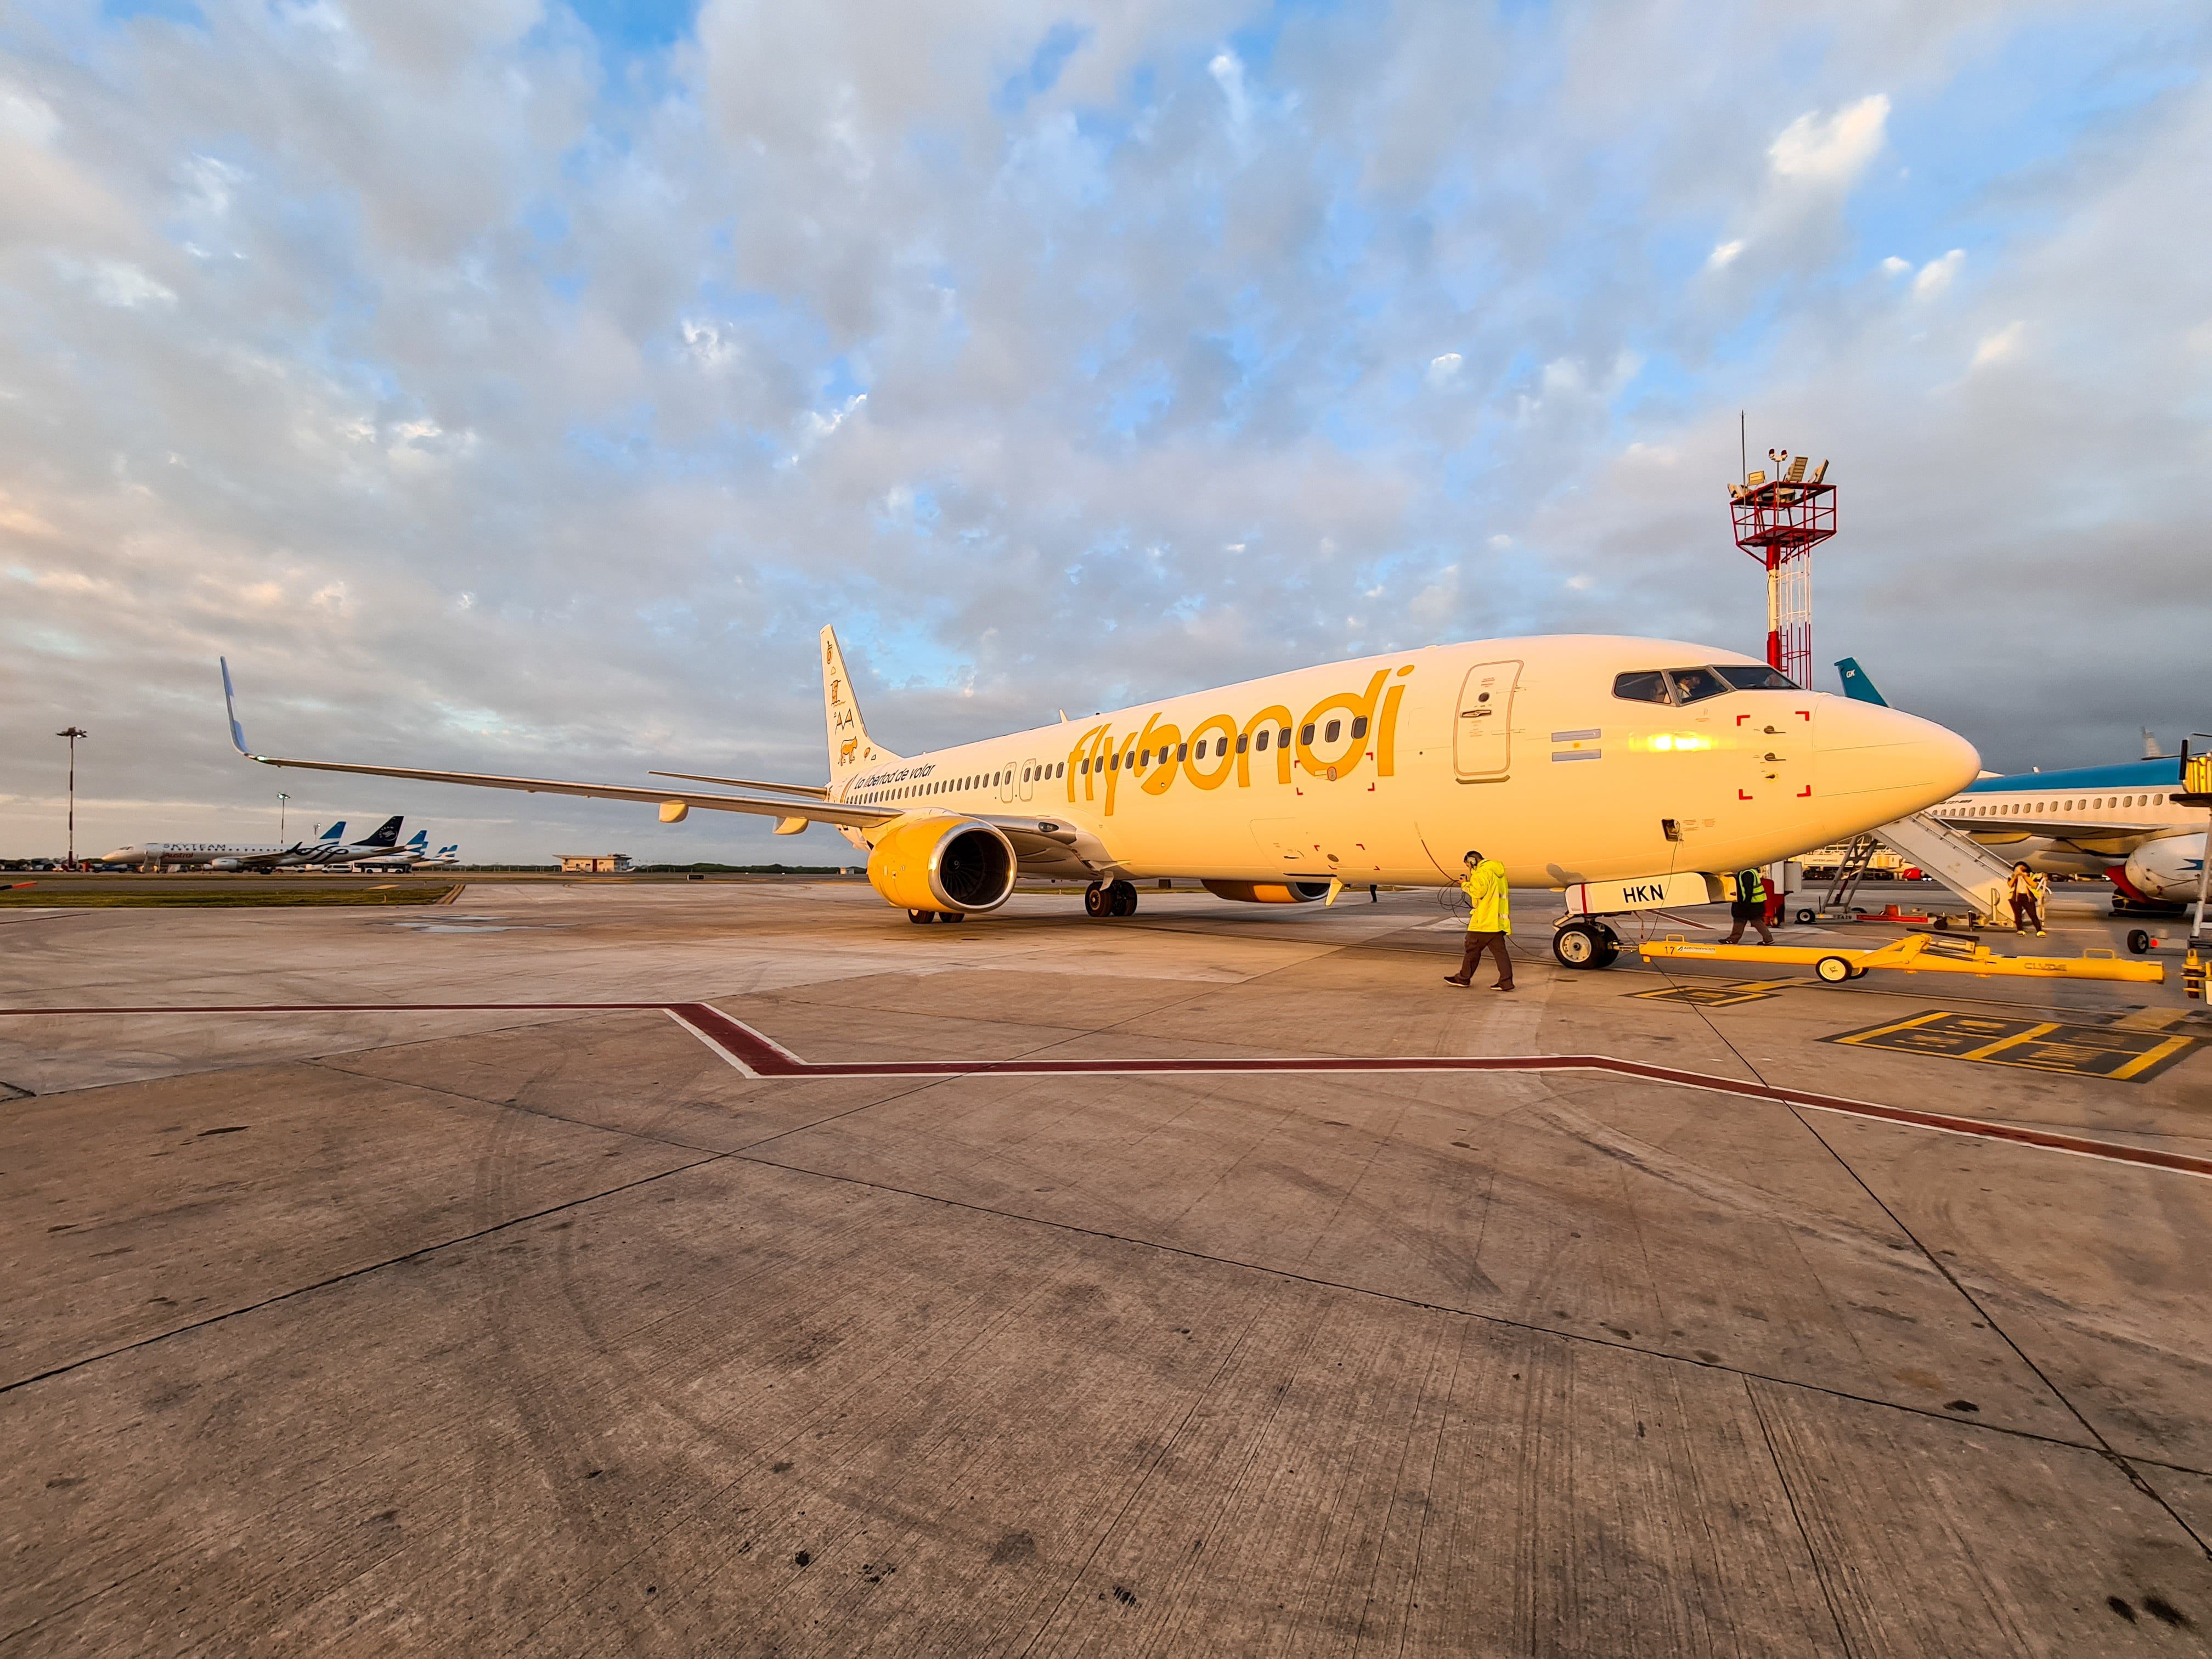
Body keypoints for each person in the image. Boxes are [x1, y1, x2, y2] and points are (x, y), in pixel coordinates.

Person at [1445, 849, 1514, 990]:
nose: (1469, 869)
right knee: (1501, 954)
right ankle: (1506, 982)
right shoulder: (1498, 874)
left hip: (1483, 922)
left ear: (1472, 861)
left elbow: (1478, 892)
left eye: (1468, 866)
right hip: (1496, 922)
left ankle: (1463, 979)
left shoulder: (1481, 873)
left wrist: (1465, 884)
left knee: (1472, 950)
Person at [1722, 867, 1774, 946]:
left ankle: (1733, 939)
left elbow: (1748, 890)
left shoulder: (1747, 874)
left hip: (1751, 903)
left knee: (1747, 920)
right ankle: (1768, 939)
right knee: (1748, 920)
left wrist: (1745, 904)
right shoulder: (1750, 872)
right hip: (1755, 902)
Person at [2008, 862, 2043, 935]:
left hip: (2028, 897)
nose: (2019, 871)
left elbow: (2034, 885)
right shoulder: (2012, 876)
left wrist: (2025, 877)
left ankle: (2039, 930)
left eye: (2021, 868)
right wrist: (2016, 876)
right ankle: (2020, 930)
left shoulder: (2031, 876)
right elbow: (2010, 885)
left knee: (2033, 914)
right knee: (2018, 915)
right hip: (2016, 897)